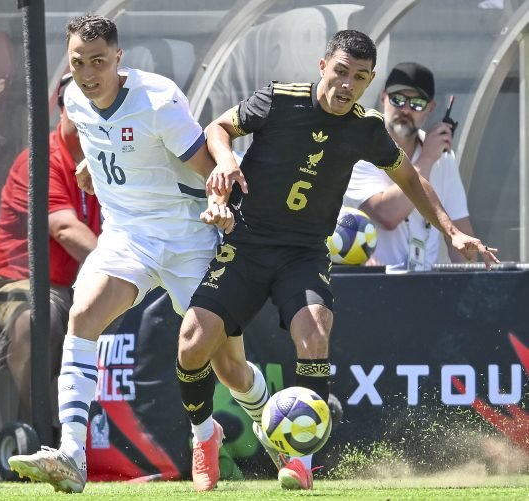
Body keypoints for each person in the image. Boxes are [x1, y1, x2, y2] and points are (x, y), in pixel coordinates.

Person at [175, 29, 499, 492]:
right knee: (191, 344)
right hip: (247, 244)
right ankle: (205, 435)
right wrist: (225, 160)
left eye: (361, 77)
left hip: (304, 253)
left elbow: (410, 179)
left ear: (369, 83)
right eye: (342, 71)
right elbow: (217, 129)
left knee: (315, 330)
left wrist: (452, 232)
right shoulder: (278, 99)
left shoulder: (366, 128)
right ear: (323, 66)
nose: (347, 85)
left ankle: (300, 461)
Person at [7, 14, 234, 494]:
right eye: (78, 62)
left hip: (187, 237)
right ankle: (72, 453)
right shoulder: (74, 99)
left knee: (227, 365)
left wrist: (218, 203)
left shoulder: (158, 101)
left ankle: (220, 431)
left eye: (98, 62)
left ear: (118, 58)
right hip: (127, 235)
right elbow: (100, 141)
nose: (88, 73)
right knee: (83, 315)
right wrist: (92, 167)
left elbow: (207, 169)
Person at [0, 73, 101, 435]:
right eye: (79, 108)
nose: (89, 118)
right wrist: (122, 271)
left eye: (97, 108)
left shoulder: (110, 160)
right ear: (62, 110)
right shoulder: (39, 160)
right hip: (17, 279)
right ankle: (23, 436)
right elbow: (65, 230)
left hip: (79, 282)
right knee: (35, 319)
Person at [344, 62, 475, 270]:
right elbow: (387, 215)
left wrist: (476, 278)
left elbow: (462, 237)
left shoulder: (442, 156)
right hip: (372, 280)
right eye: (397, 100)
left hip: (424, 279)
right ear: (383, 97)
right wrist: (426, 160)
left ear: (430, 108)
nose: (405, 110)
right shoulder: (360, 148)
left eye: (417, 104)